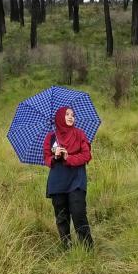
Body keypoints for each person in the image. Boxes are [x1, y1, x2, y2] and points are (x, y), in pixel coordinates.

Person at [42, 106, 94, 250]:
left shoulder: (79, 134)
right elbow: (46, 159)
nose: (71, 117)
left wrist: (68, 157)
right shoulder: (51, 137)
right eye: (67, 114)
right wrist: (55, 156)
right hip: (57, 182)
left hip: (76, 180)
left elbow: (86, 155)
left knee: (78, 214)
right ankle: (67, 248)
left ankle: (88, 249)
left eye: (73, 115)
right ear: (59, 118)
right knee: (62, 217)